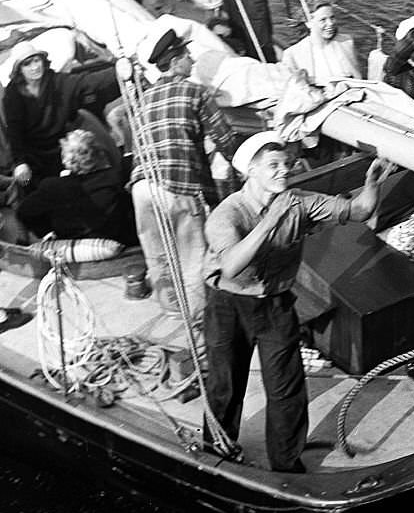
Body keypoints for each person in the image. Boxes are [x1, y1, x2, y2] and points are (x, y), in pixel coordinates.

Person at [202, 132, 391, 472]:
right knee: (225, 384)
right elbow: (231, 266)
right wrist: (272, 219)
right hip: (228, 305)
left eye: (287, 164)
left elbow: (359, 210)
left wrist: (372, 183)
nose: (284, 171)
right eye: (273, 165)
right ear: (251, 171)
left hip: (275, 303)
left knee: (286, 387)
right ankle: (216, 454)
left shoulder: (300, 202)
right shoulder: (227, 213)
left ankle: (286, 465)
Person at [129, 28, 241, 317]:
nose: (191, 59)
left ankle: (170, 310)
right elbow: (225, 140)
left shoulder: (145, 98)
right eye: (187, 55)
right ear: (176, 61)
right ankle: (198, 321)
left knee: (159, 256)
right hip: (175, 186)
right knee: (192, 260)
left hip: (142, 187)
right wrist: (245, 170)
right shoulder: (195, 91)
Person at [3, 41, 120, 189]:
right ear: (19, 69)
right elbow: (14, 131)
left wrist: (116, 72)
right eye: (27, 64)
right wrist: (20, 162)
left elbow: (88, 82)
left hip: (64, 150)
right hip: (34, 157)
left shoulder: (58, 82)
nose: (35, 67)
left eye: (37, 60)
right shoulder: (13, 95)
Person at [17, 128, 137, 245]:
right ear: (99, 154)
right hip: (123, 241)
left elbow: (23, 212)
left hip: (72, 245)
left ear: (66, 161)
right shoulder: (118, 176)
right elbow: (128, 157)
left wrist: (46, 232)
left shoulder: (53, 187)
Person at [281, 1, 361, 84]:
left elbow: (358, 78)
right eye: (323, 20)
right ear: (308, 23)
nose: (330, 23)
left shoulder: (346, 42)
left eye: (332, 18)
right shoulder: (292, 54)